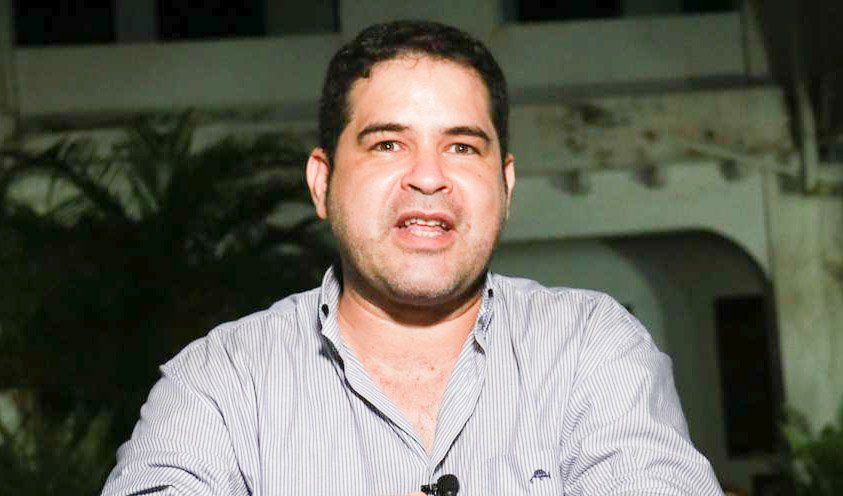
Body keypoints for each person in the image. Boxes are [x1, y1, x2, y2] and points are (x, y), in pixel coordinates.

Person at [102, 20, 723, 495]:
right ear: (322, 182)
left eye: (462, 146)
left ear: (505, 185)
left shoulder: (590, 346)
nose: (428, 176)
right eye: (388, 144)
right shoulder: (221, 383)